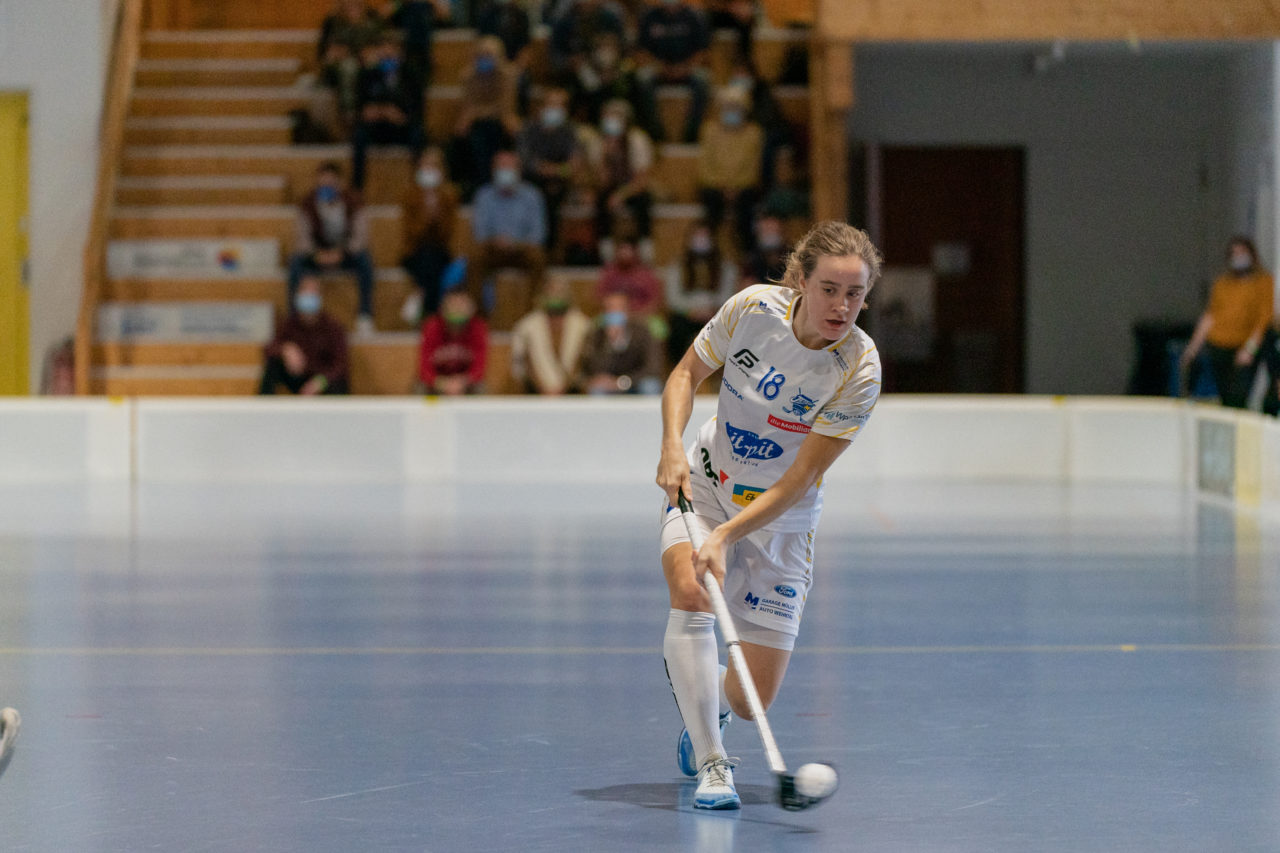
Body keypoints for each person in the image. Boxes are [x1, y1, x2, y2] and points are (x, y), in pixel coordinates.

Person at [655, 221, 883, 809]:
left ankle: (712, 720)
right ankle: (712, 764)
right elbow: (685, 373)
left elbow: (802, 476)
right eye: (830, 288)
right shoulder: (751, 308)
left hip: (781, 521)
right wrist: (673, 446)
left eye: (856, 294)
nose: (842, 305)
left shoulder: (858, 368)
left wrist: (729, 536)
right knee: (692, 591)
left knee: (750, 696)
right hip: (706, 484)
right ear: (801, 281)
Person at [1181, 237, 1275, 409]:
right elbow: (1210, 316)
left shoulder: (1263, 282)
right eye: (1234, 254)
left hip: (1243, 347)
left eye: (1242, 253)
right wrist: (1193, 347)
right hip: (1219, 345)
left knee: (1238, 396)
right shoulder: (1222, 283)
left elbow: (1264, 319)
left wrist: (1250, 348)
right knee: (1225, 397)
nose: (1238, 257)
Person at [287, 162, 377, 336]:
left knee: (365, 261)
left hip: (344, 253)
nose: (326, 186)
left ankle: (365, 315)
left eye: (330, 183)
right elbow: (302, 237)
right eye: (323, 183)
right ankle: (294, 317)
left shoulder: (354, 202)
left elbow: (361, 236)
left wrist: (341, 252)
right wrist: (316, 254)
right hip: (317, 254)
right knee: (295, 264)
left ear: (339, 184)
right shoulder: (307, 203)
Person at [467, 150, 548, 319]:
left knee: (538, 257)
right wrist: (497, 241)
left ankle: (533, 314)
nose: (505, 172)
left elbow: (538, 233)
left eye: (509, 167)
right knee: (474, 258)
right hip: (493, 249)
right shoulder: (484, 195)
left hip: (522, 250)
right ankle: (479, 316)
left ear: (519, 170)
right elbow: (480, 233)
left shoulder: (532, 195)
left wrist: (516, 243)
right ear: (494, 170)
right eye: (501, 167)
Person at [350, 32, 426, 191]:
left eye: (391, 55)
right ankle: (358, 189)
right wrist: (376, 112)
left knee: (418, 135)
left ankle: (419, 185)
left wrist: (402, 117)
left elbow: (419, 111)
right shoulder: (367, 75)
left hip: (402, 129)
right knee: (358, 136)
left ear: (400, 54)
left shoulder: (412, 76)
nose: (387, 59)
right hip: (376, 128)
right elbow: (359, 108)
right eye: (383, 55)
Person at [582, 98, 655, 257]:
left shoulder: (637, 140)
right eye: (608, 117)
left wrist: (621, 195)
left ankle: (645, 248)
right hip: (610, 187)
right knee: (600, 201)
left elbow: (642, 180)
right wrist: (606, 156)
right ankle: (605, 250)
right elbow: (601, 182)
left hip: (632, 188)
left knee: (644, 200)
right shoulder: (598, 143)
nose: (611, 122)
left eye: (616, 118)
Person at [516, 87, 584, 257]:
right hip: (531, 180)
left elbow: (574, 164)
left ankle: (550, 250)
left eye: (560, 106)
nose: (555, 110)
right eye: (552, 105)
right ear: (542, 108)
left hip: (560, 182)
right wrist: (557, 170)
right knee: (537, 193)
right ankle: (534, 246)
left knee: (554, 194)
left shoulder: (570, 131)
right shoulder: (529, 130)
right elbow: (528, 163)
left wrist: (554, 171)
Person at [259, 274, 352, 395]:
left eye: (312, 294)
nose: (308, 297)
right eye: (305, 294)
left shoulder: (333, 327)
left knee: (338, 384)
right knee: (273, 365)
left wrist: (319, 382)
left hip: (323, 381)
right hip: (299, 378)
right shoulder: (290, 324)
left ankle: (336, 413)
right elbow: (269, 348)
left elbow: (340, 365)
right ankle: (264, 409)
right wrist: (286, 349)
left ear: (320, 297)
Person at [697, 86, 764, 252]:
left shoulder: (754, 133)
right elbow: (705, 166)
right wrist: (722, 186)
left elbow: (753, 167)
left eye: (736, 107)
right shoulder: (709, 131)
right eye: (727, 107)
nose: (731, 111)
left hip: (744, 187)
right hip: (715, 186)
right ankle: (711, 252)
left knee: (747, 208)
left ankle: (748, 254)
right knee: (711, 201)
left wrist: (735, 187)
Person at [451, 36, 521, 195]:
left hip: (500, 122)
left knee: (504, 131)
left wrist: (479, 112)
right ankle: (475, 184)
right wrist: (478, 113)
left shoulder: (508, 75)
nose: (485, 58)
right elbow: (468, 105)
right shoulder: (468, 76)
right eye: (481, 55)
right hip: (479, 125)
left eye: (489, 55)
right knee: (466, 135)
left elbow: (506, 107)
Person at [634, 0, 712, 143]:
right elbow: (641, 51)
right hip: (657, 68)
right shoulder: (649, 16)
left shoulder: (694, 16)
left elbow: (703, 51)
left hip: (687, 67)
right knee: (642, 79)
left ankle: (692, 134)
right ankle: (654, 132)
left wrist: (686, 67)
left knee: (703, 80)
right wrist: (659, 67)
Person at [400, 146, 461, 324]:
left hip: (440, 251)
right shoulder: (410, 196)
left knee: (432, 259)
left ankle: (420, 296)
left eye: (432, 167)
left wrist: (437, 215)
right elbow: (410, 233)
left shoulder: (449, 197)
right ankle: (433, 314)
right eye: (424, 166)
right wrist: (426, 218)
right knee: (427, 258)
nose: (428, 171)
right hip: (414, 251)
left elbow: (447, 233)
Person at [664, 218, 736, 365]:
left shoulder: (725, 266)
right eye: (697, 235)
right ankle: (679, 372)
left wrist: (712, 309)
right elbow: (673, 298)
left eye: (705, 236)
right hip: (686, 315)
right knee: (676, 329)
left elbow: (728, 294)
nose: (701, 240)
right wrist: (691, 311)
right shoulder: (678, 266)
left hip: (716, 314)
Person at [510, 278, 593, 394]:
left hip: (572, 393)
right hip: (536, 393)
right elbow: (521, 364)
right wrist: (542, 388)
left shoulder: (582, 325)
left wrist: (564, 388)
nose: (556, 317)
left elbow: (585, 361)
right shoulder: (527, 327)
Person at [581, 291, 664, 394]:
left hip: (636, 382)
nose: (614, 313)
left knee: (651, 385)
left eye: (619, 308)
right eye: (610, 309)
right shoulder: (596, 335)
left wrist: (623, 382)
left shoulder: (643, 332)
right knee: (597, 388)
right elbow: (593, 369)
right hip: (610, 385)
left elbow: (653, 368)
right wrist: (611, 342)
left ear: (627, 311)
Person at [419, 289, 488, 395]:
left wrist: (462, 382)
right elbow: (424, 369)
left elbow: (479, 368)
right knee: (420, 388)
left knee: (481, 388)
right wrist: (442, 384)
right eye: (453, 304)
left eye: (461, 304)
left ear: (472, 308)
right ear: (443, 308)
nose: (457, 309)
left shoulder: (478, 327)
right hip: (438, 382)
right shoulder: (432, 327)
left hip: (466, 383)